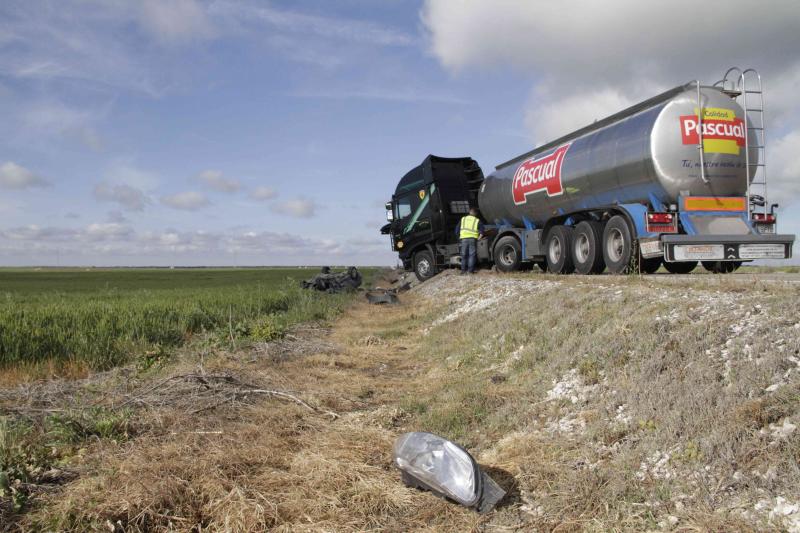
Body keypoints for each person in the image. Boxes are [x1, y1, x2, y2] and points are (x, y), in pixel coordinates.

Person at [457, 208, 484, 275]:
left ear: (469, 212)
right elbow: (482, 231)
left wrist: (459, 237)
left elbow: (457, 230)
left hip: (464, 239)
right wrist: (479, 238)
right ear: (476, 214)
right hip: (472, 239)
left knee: (464, 255)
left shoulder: (463, 219)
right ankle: (470, 271)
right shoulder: (477, 220)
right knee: (471, 255)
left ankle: (463, 271)